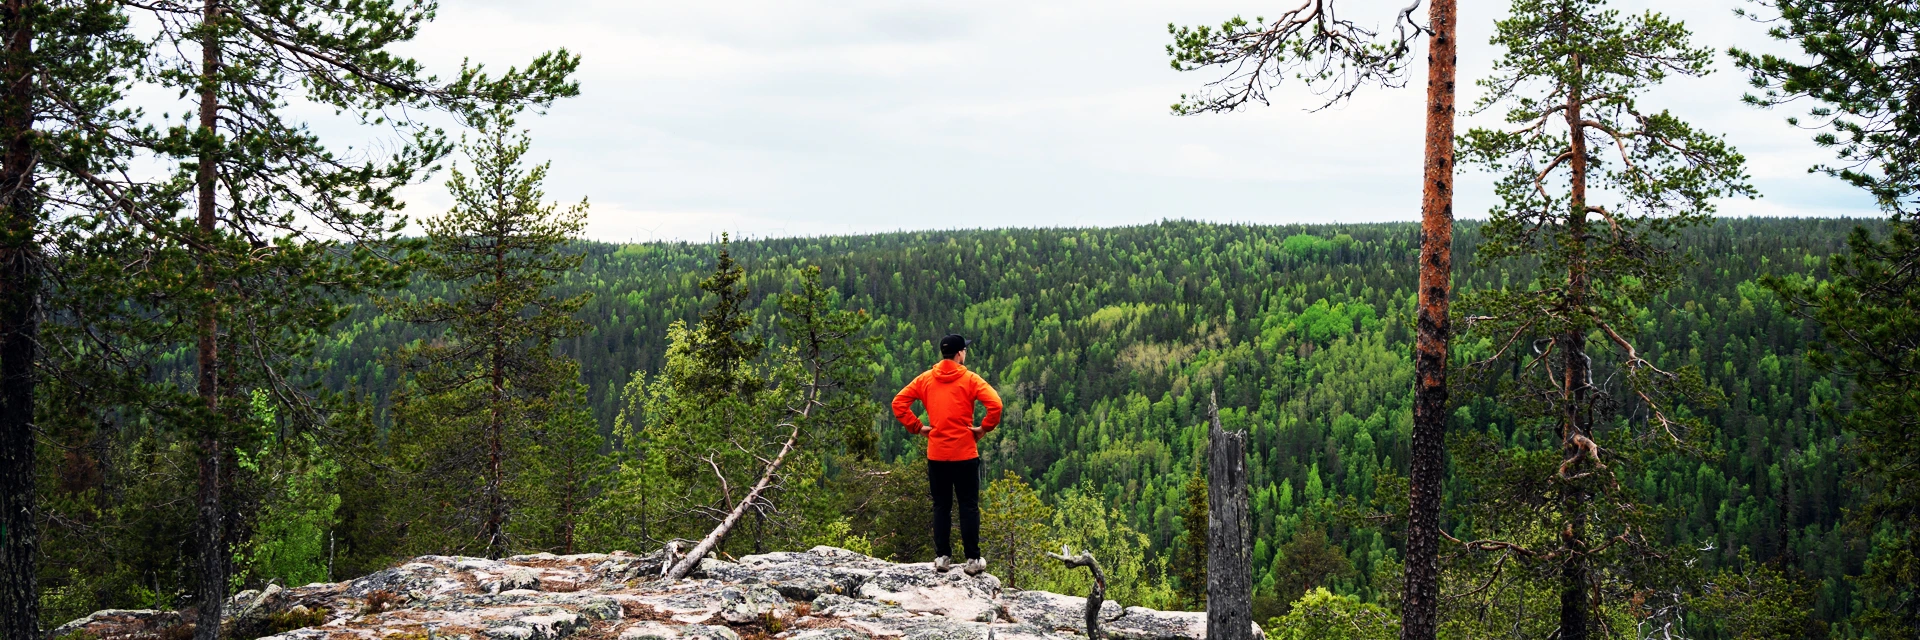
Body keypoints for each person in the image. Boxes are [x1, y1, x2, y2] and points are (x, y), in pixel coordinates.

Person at [892, 333, 1003, 575]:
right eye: (965, 350)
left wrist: (918, 427)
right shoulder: (971, 380)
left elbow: (898, 403)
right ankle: (973, 561)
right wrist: (984, 428)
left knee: (941, 506)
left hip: (937, 454)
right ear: (960, 353)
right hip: (965, 453)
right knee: (968, 506)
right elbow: (996, 404)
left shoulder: (926, 379)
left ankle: (942, 557)